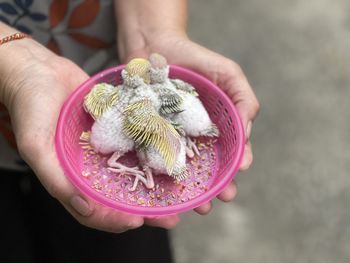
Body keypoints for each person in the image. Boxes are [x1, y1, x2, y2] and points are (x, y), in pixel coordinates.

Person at [0, 0, 259, 262]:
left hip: (90, 78)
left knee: (114, 244)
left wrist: (151, 31)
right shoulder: (141, 108)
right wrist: (15, 65)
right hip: (57, 102)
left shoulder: (150, 102)